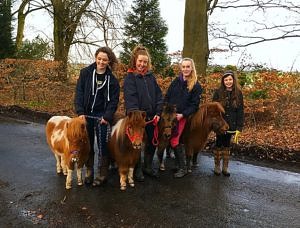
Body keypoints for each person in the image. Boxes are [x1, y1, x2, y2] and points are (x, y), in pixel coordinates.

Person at [74, 46, 120, 186]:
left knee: (103, 145)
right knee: (87, 144)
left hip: (102, 117)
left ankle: (102, 173)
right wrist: (80, 112)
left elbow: (113, 101)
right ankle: (89, 171)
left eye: (104, 60)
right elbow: (79, 94)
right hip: (86, 115)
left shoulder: (112, 80)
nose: (101, 62)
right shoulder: (85, 73)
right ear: (95, 58)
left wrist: (107, 116)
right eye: (99, 59)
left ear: (108, 61)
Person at [123, 45, 163, 181]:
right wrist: (138, 117)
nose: (142, 64)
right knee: (137, 143)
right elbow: (131, 99)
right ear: (135, 60)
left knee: (152, 142)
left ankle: (147, 166)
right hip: (137, 119)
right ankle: (137, 168)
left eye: (145, 62)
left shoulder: (151, 77)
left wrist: (158, 112)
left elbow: (158, 95)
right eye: (140, 61)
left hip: (152, 117)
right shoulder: (130, 78)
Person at [164, 57, 202, 178]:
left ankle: (183, 167)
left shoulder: (195, 85)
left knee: (174, 140)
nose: (185, 69)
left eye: (188, 67)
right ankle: (177, 163)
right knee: (170, 138)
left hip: (182, 116)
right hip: (170, 116)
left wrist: (183, 115)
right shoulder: (176, 82)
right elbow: (167, 96)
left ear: (192, 68)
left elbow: (194, 105)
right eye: (183, 66)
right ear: (181, 68)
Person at [212, 70, 244, 176]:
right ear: (223, 81)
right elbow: (214, 109)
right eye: (226, 80)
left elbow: (240, 111)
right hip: (220, 124)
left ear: (233, 80)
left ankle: (225, 167)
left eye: (230, 79)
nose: (228, 82)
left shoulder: (238, 93)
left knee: (226, 144)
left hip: (232, 124)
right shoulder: (218, 92)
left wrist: (239, 127)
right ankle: (217, 166)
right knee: (219, 143)